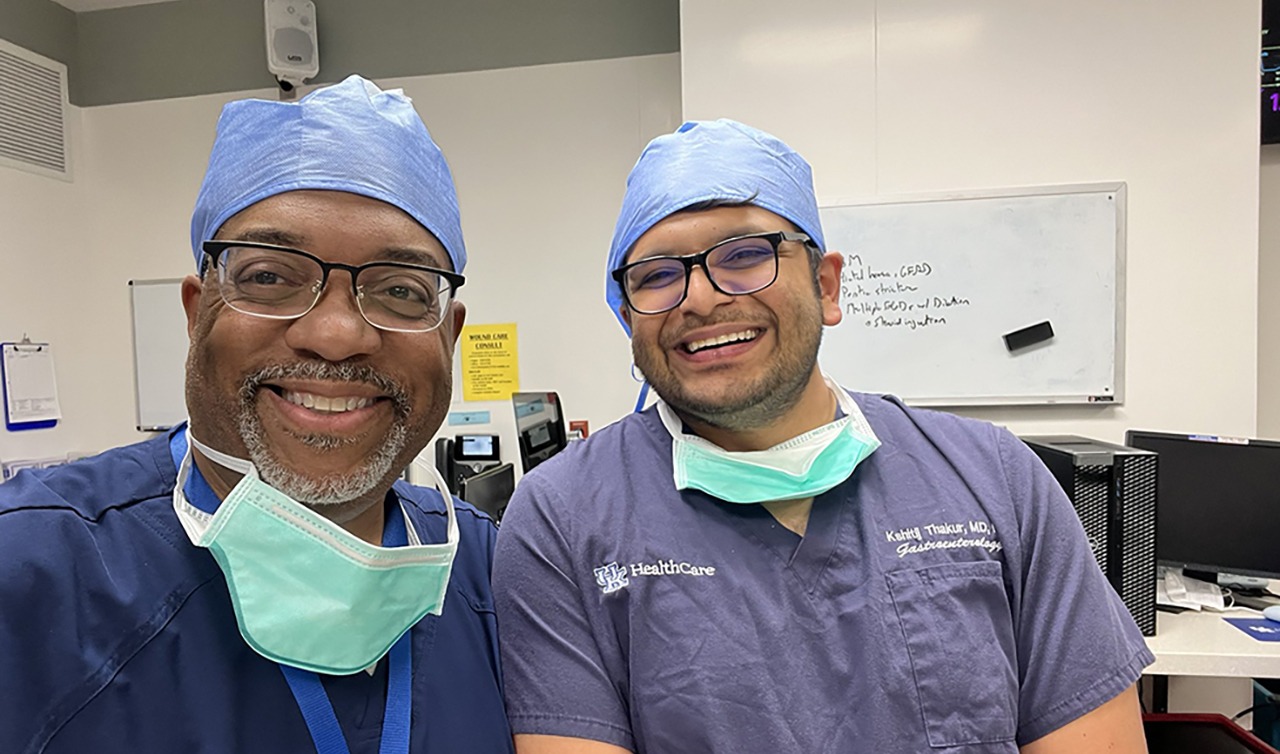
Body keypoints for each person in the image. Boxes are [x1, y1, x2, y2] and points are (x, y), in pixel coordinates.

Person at [491, 119, 1152, 753]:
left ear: (827, 285)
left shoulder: (996, 480)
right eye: (657, 275)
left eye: (745, 255)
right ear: (628, 318)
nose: (699, 297)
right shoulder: (562, 520)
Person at [0, 76, 512, 754]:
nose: (335, 335)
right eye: (269, 276)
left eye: (399, 290)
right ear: (195, 312)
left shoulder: (502, 581)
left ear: (449, 334)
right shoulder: (33, 575)